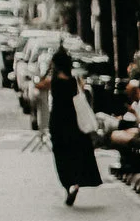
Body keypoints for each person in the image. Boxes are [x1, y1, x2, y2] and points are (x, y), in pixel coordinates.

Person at [39, 49, 102, 206]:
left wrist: (47, 70)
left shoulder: (53, 80)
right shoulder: (75, 79)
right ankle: (77, 181)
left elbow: (39, 84)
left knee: (61, 154)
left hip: (58, 121)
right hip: (74, 120)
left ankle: (68, 185)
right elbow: (83, 94)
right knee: (76, 152)